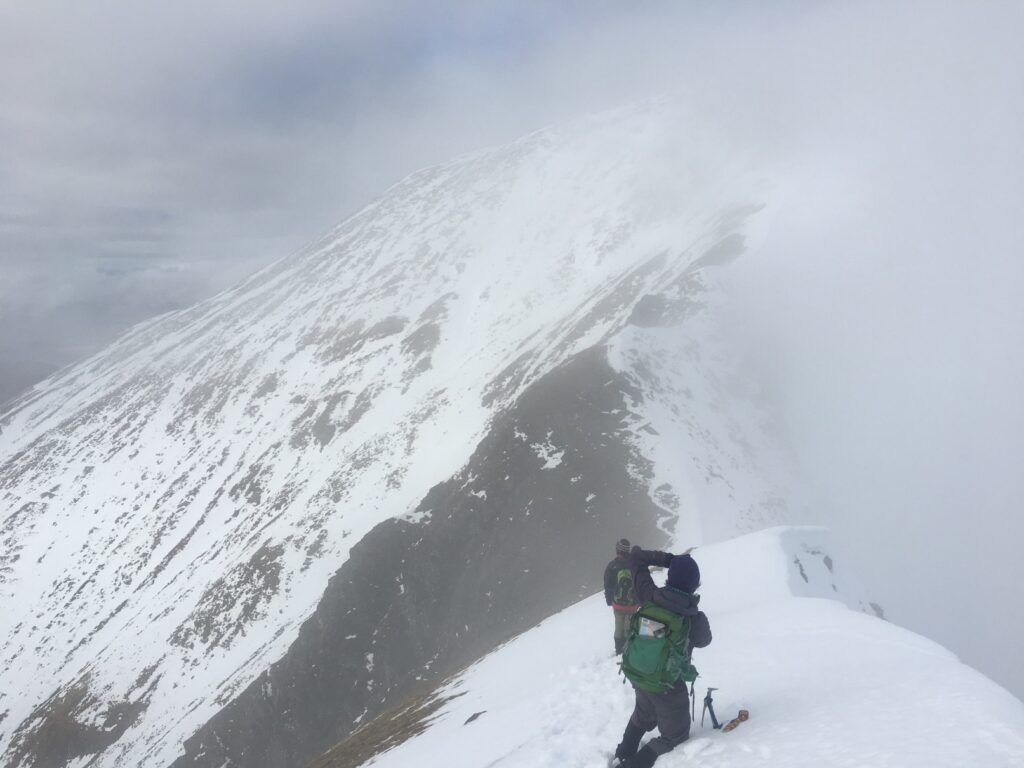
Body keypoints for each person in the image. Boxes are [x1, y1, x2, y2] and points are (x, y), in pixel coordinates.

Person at [613, 547, 712, 768]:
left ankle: (622, 752)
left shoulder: (648, 594)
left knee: (644, 715)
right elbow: (705, 640)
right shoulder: (693, 618)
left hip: (639, 672)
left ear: (670, 577)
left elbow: (636, 557)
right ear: (694, 584)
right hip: (667, 685)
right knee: (675, 735)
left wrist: (669, 560)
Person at [604, 538, 639, 655]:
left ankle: (619, 650)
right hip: (632, 604)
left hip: (617, 604)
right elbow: (639, 582)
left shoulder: (612, 566)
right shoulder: (634, 565)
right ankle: (629, 648)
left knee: (618, 627)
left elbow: (608, 585)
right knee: (629, 627)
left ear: (617, 550)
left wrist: (610, 601)